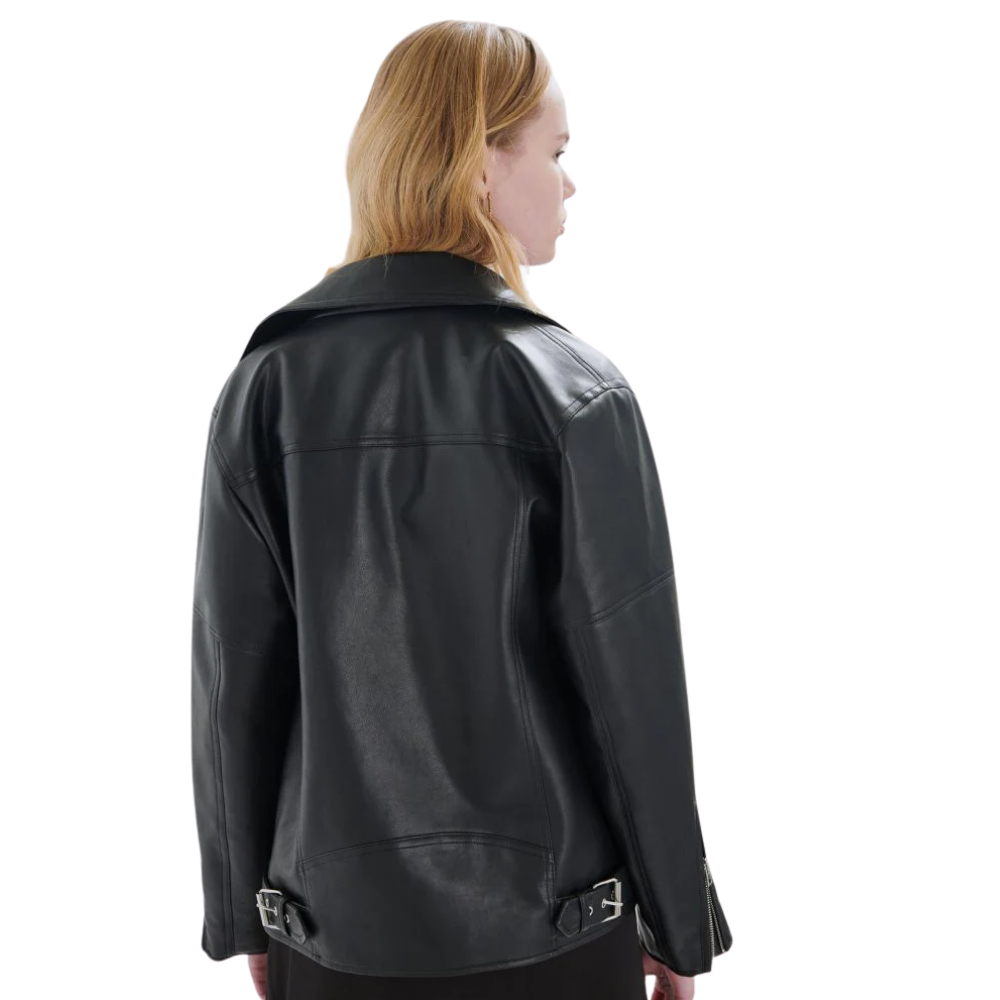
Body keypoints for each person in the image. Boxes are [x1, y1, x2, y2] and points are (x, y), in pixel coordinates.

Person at [192, 19, 732, 1000]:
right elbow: (636, 693)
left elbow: (231, 682)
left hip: (329, 937)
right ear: (481, 164)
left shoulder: (263, 385)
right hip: (558, 933)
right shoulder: (574, 388)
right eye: (555, 152)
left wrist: (240, 918)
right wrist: (679, 923)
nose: (570, 183)